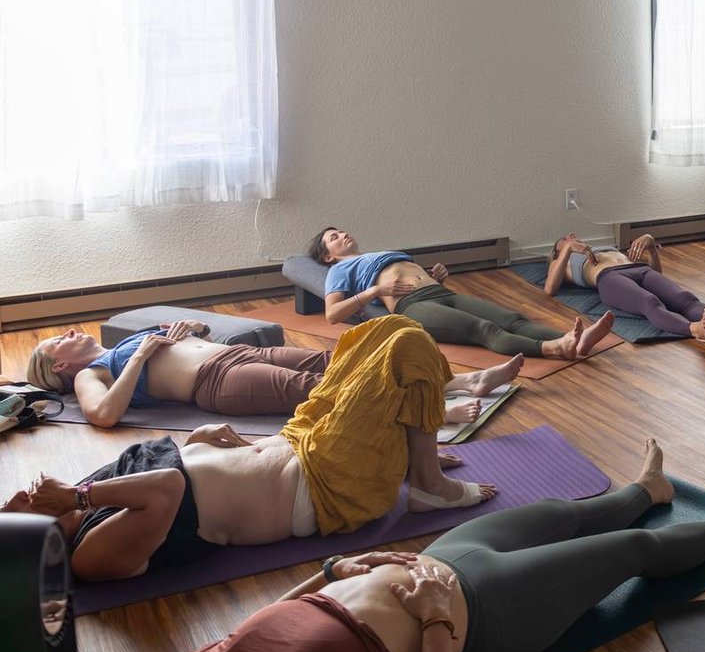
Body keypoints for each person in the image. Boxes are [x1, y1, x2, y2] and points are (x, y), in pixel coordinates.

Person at [91, 442, 705, 652]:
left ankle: (648, 488)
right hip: (482, 612)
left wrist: (332, 572)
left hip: (435, 561)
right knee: (632, 550)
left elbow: (275, 618)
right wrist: (434, 619)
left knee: (561, 511)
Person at [3, 317, 494, 582]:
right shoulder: (89, 555)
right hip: (326, 483)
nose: (16, 497)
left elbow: (177, 473)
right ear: (27, 544)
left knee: (374, 336)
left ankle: (409, 457)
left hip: (297, 441)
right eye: (9, 511)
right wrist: (75, 496)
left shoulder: (86, 499)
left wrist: (196, 441)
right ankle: (428, 483)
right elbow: (167, 489)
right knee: (405, 342)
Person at [24, 320, 521, 427]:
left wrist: (191, 329)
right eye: (57, 341)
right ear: (60, 365)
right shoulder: (93, 373)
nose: (67, 333)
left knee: (339, 361)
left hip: (235, 353)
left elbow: (195, 336)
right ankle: (431, 411)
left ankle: (463, 381)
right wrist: (139, 356)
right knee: (321, 389)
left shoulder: (120, 342)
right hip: (217, 384)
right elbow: (103, 416)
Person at [311, 226, 615, 361]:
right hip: (412, 305)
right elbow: (332, 315)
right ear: (328, 256)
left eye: (341, 231)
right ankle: (553, 348)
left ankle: (574, 339)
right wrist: (378, 290)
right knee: (485, 329)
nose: (343, 235)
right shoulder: (339, 270)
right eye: (334, 238)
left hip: (439, 292)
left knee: (513, 318)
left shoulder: (377, 254)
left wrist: (435, 277)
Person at [546, 232, 705, 343]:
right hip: (609, 278)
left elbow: (658, 273)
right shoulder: (563, 262)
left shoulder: (601, 248)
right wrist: (567, 250)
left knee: (684, 298)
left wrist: (652, 246)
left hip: (639, 269)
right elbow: (550, 289)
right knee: (649, 302)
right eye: (563, 239)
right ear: (556, 251)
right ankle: (695, 329)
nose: (570, 236)